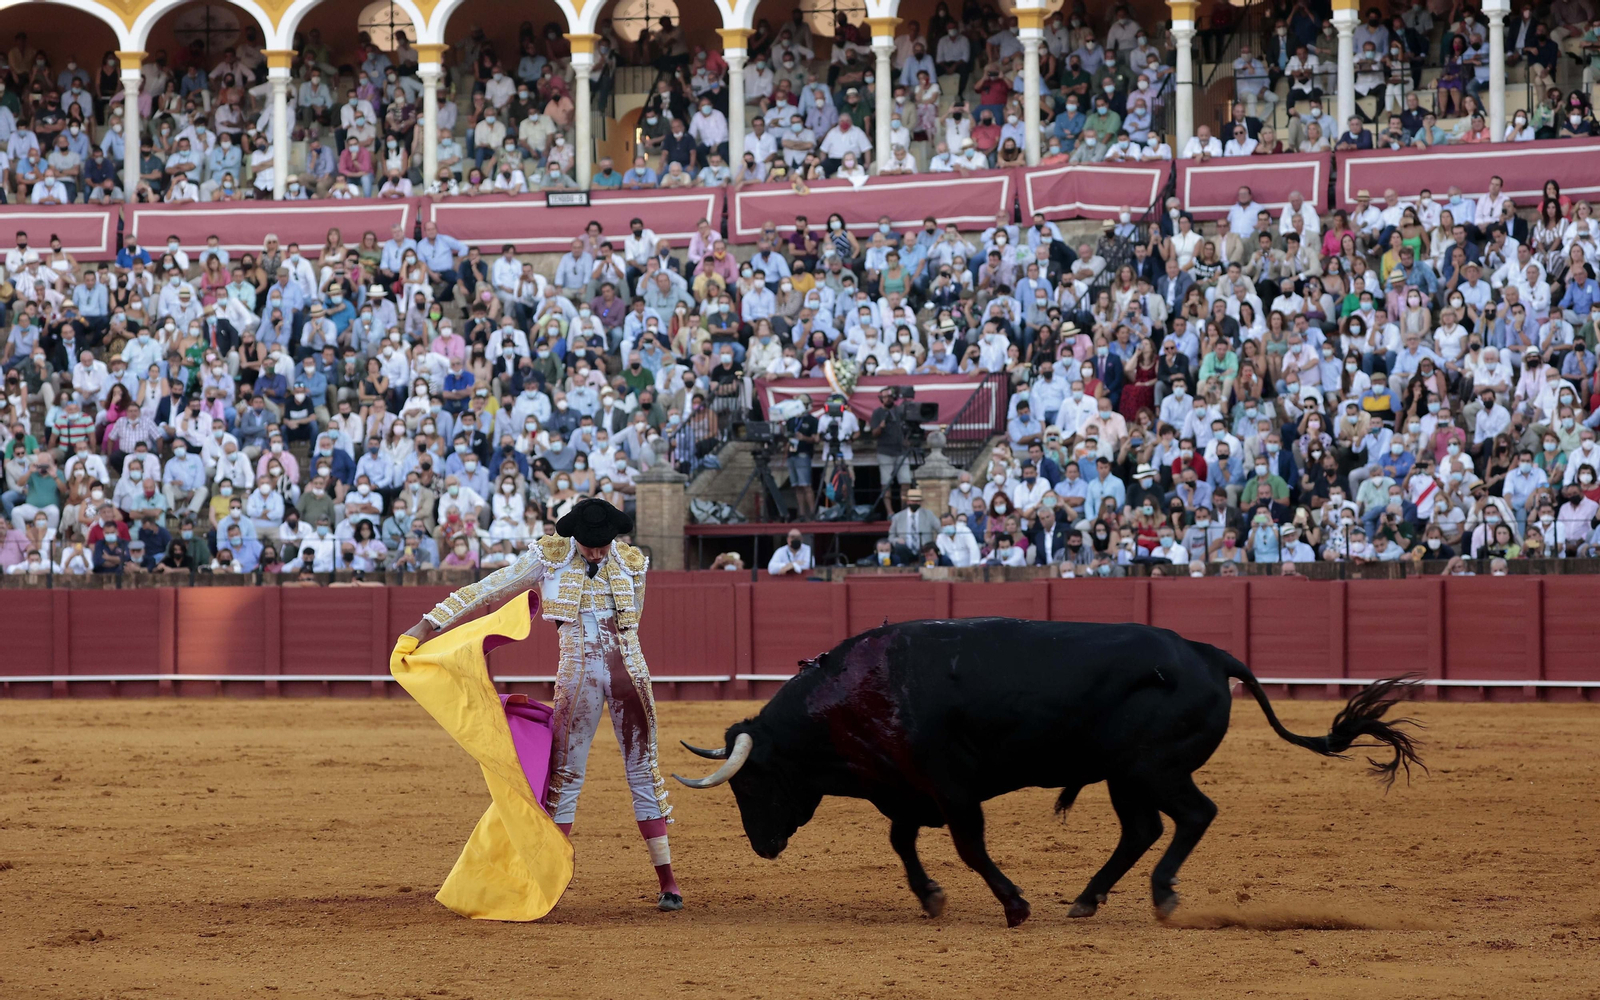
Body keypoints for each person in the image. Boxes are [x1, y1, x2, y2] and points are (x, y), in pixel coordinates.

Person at [401, 498, 682, 911]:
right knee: (565, 776)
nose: (597, 553)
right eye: (589, 546)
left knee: (643, 770)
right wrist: (429, 623)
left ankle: (669, 883)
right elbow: (491, 587)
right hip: (577, 676)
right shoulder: (549, 556)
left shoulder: (632, 562)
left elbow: (632, 621)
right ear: (574, 537)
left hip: (630, 674)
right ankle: (547, 883)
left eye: (603, 545)